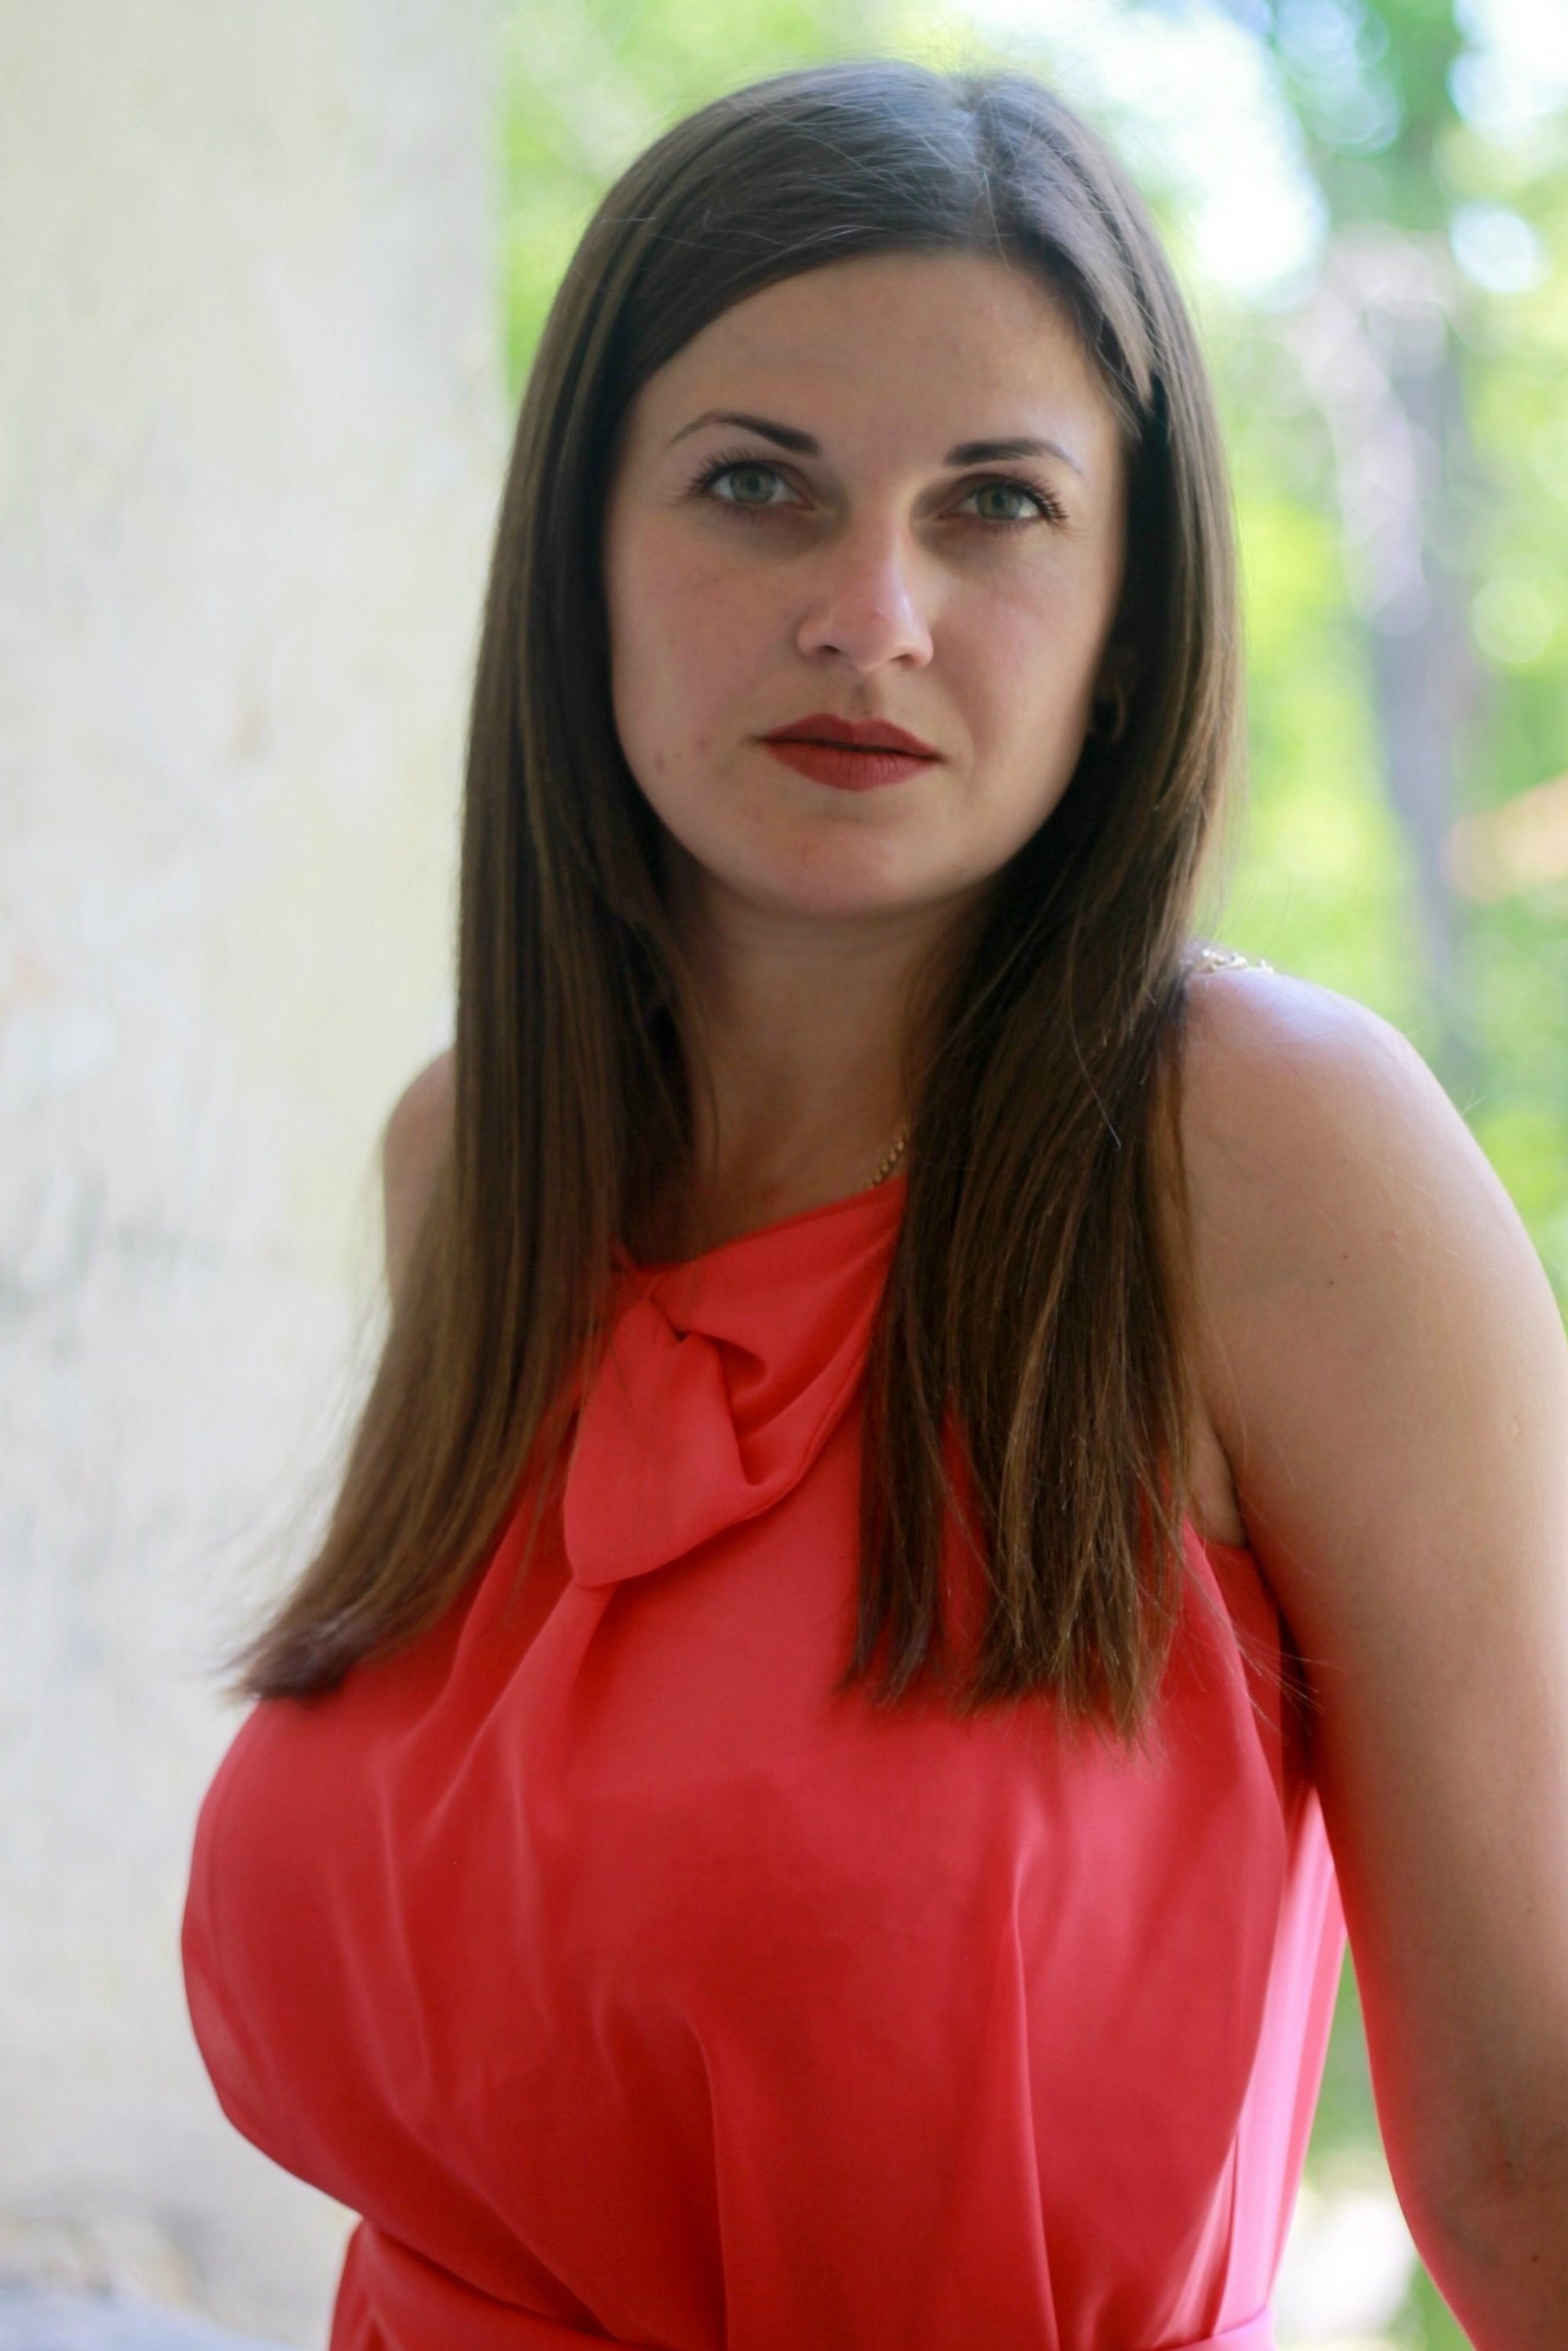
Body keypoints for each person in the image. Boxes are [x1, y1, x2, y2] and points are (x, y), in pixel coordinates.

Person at [180, 57, 1568, 2351]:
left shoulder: (1268, 1158)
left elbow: (1527, 2160)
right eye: (758, 485)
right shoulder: (478, 1165)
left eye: (997, 506)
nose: (872, 611)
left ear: (1128, 616)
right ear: (583, 560)